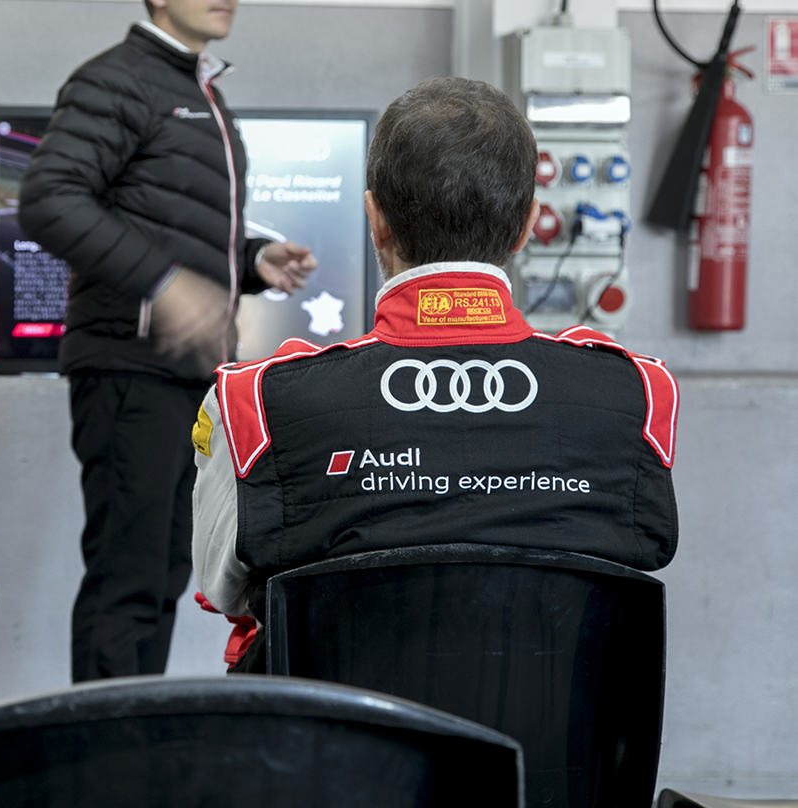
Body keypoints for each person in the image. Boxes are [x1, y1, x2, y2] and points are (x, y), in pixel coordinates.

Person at [191, 77, 679, 671]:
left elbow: (221, 590)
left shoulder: (256, 406)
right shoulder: (637, 398)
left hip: (336, 730)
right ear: (527, 225)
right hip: (556, 730)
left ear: (376, 221)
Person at [18, 0, 317, 682]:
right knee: (128, 581)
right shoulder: (117, 80)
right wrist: (164, 282)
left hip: (184, 376)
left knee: (157, 581)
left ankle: (134, 738)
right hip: (129, 367)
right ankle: (103, 748)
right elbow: (48, 200)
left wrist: (254, 261)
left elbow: (168, 222)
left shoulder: (197, 91)